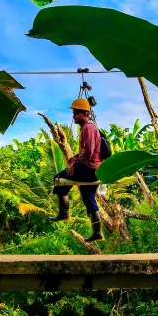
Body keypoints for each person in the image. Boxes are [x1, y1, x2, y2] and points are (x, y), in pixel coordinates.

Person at [50, 98, 103, 241]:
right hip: (94, 169)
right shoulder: (87, 127)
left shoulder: (88, 128)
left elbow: (89, 151)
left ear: (84, 113)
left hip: (90, 169)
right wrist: (74, 157)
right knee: (88, 198)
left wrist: (75, 164)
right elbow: (86, 150)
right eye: (73, 113)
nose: (73, 116)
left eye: (76, 113)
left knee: (58, 179)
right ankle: (97, 233)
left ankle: (64, 213)